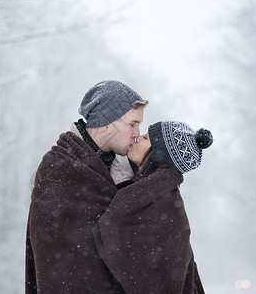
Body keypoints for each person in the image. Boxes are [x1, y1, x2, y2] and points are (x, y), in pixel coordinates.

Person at [26, 80, 149, 293]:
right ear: (107, 121)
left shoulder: (129, 169)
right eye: (132, 124)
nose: (137, 133)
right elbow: (57, 257)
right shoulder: (57, 170)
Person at [92, 121, 213, 294]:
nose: (137, 137)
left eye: (146, 138)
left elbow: (111, 231)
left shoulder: (161, 203)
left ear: (159, 154)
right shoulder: (151, 193)